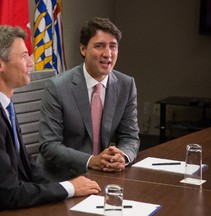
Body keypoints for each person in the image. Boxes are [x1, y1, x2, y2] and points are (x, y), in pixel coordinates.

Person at [0, 25, 100, 216]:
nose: (31, 62)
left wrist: (66, 190)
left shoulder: (1, 104)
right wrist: (69, 188)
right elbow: (9, 194)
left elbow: (28, 167)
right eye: (24, 56)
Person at [36, 17, 140, 182]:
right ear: (83, 49)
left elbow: (130, 137)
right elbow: (49, 145)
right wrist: (91, 161)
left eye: (113, 46)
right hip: (63, 178)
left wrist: (122, 156)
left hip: (103, 175)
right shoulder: (57, 87)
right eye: (99, 46)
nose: (108, 54)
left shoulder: (126, 85)